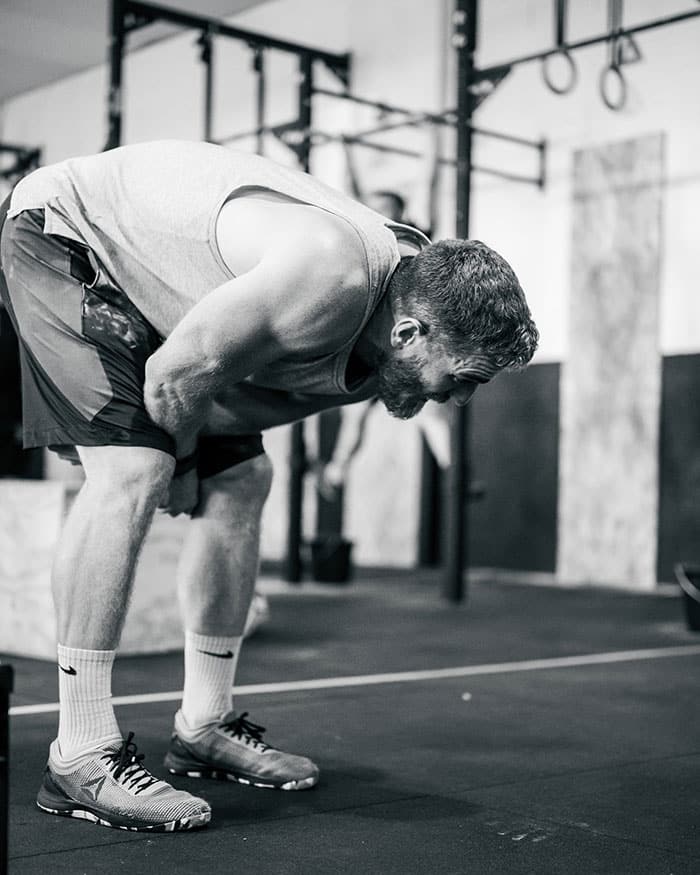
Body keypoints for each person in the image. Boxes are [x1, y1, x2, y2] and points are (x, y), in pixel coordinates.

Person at [0, 140, 538, 833]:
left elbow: (229, 400)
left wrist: (197, 463)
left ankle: (203, 723)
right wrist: (178, 462)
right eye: (461, 377)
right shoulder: (332, 278)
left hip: (162, 307)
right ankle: (79, 752)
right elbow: (174, 378)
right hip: (69, 234)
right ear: (409, 332)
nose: (457, 398)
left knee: (246, 476)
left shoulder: (384, 342)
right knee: (134, 470)